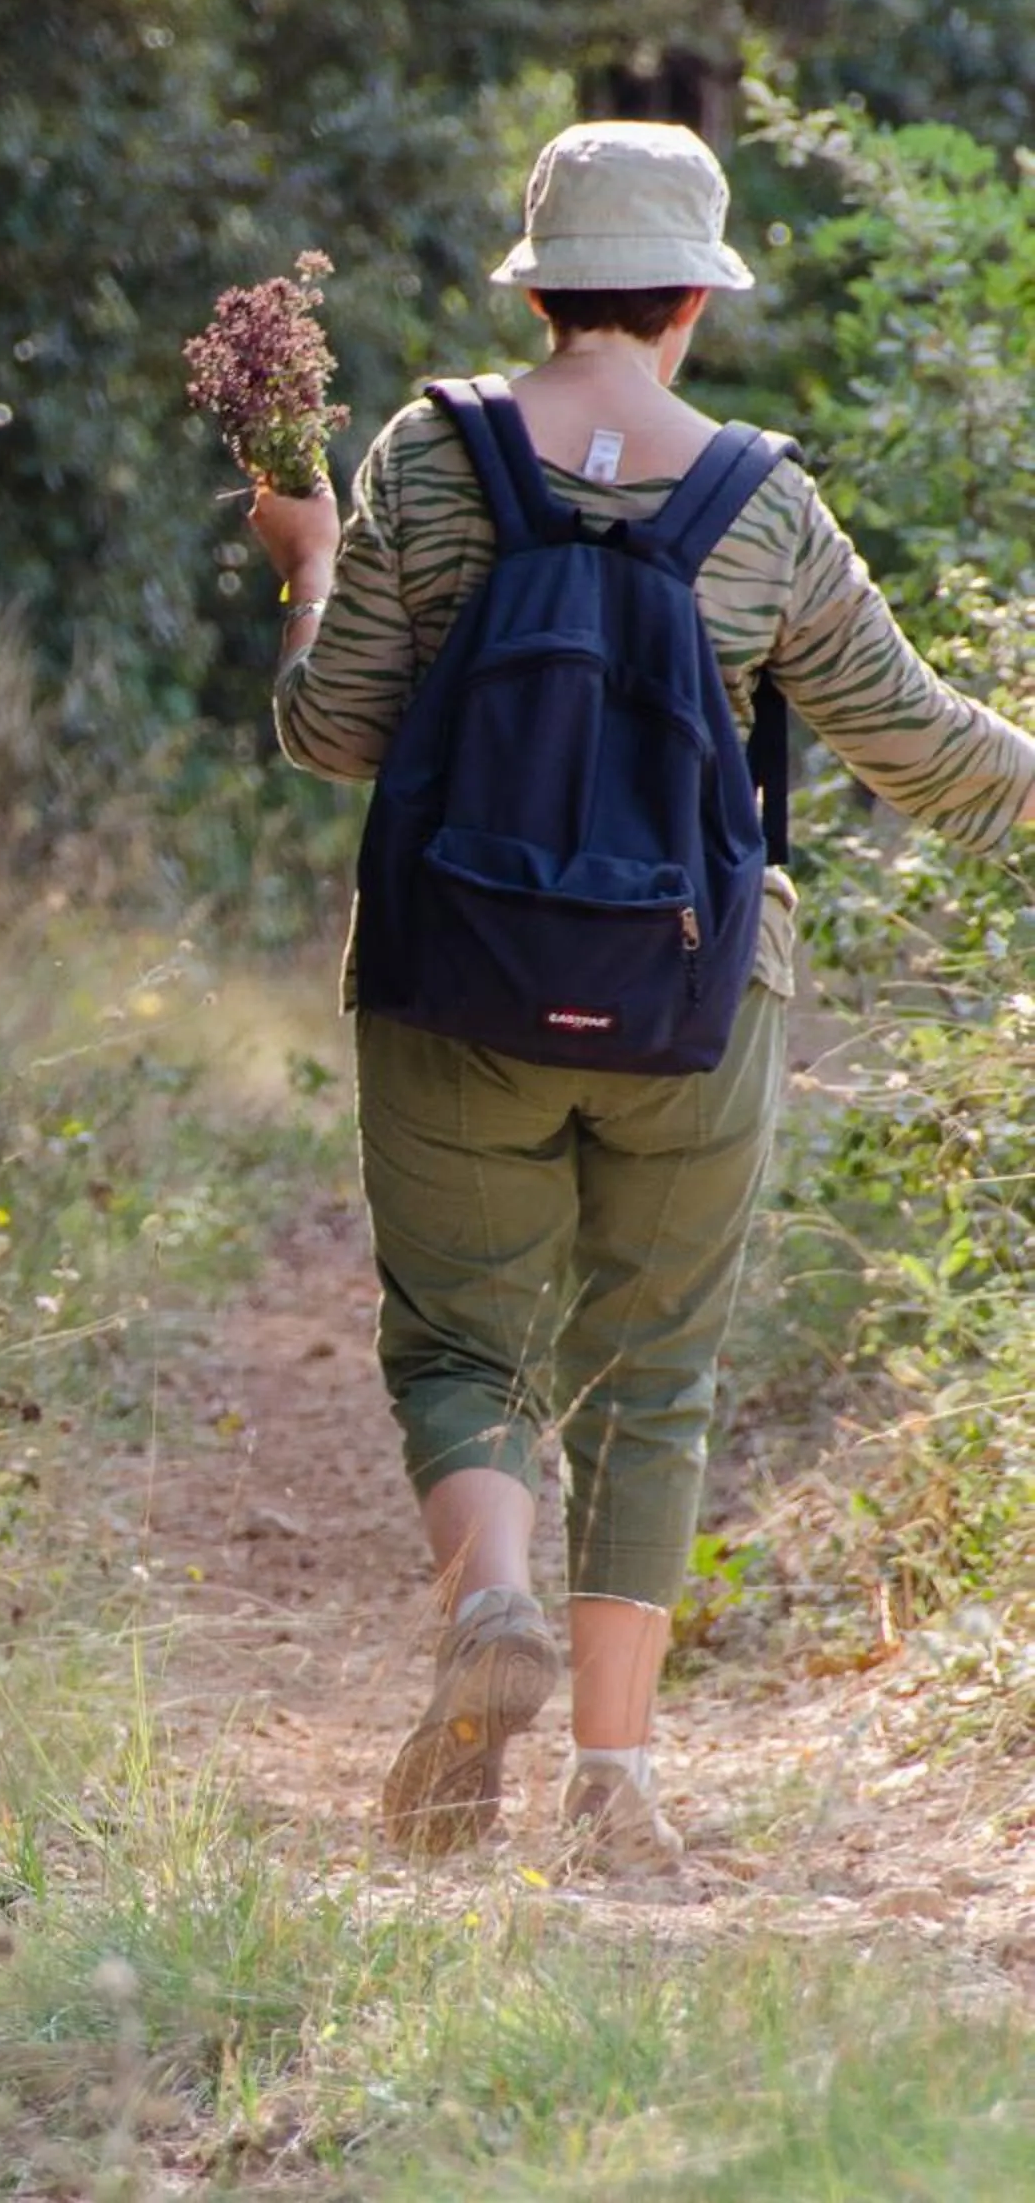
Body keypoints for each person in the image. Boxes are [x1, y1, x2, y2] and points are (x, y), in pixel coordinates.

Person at [247, 119, 1035, 1874]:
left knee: (460, 1344)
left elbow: (332, 733)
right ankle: (612, 1785)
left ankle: (489, 1605)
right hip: (693, 1003)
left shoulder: (425, 458)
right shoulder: (761, 501)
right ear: (692, 300)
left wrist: (304, 563)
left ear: (540, 293)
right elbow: (920, 749)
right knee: (650, 1379)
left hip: (454, 982)